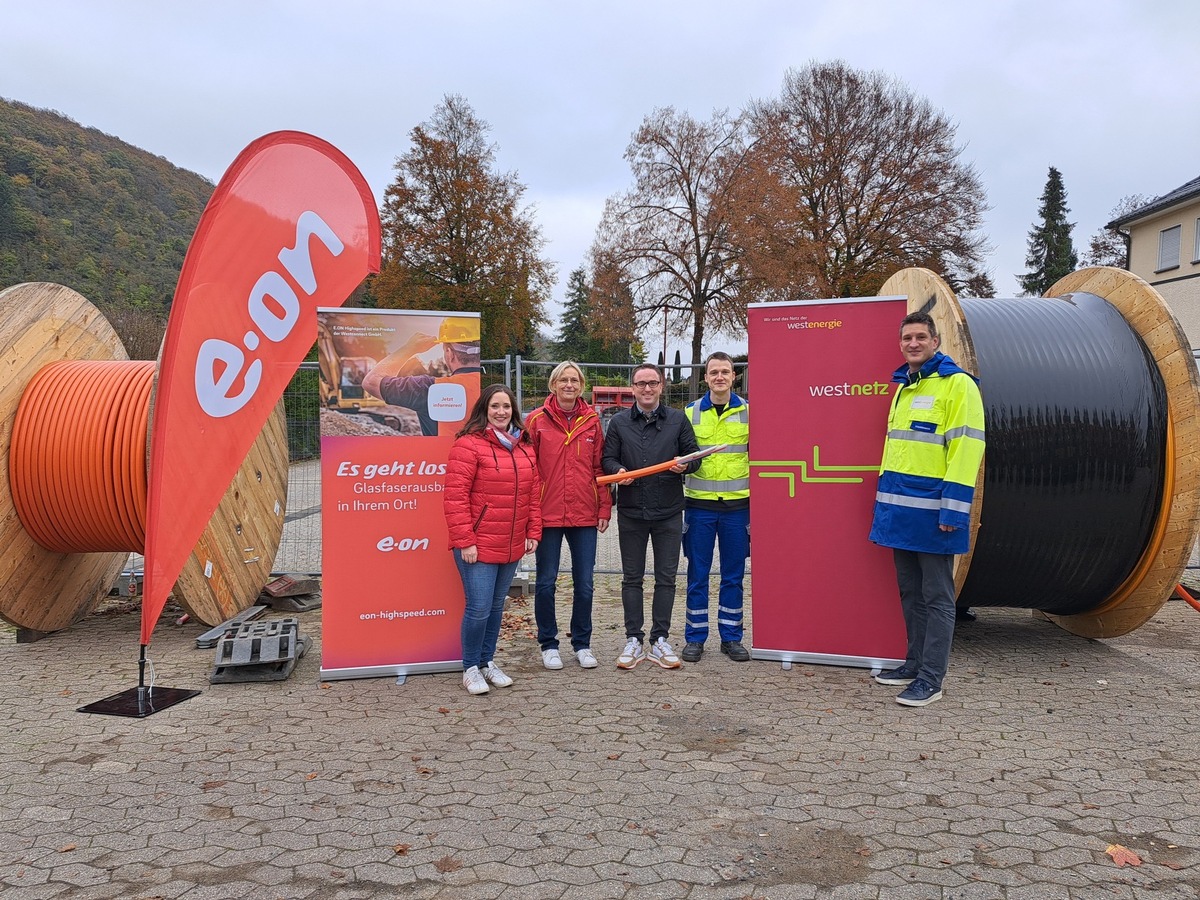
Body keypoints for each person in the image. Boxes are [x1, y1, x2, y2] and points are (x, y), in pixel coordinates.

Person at [868, 312, 985, 708]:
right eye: (907, 338)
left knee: (937, 597)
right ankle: (912, 663)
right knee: (909, 591)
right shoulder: (904, 385)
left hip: (936, 514)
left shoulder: (958, 386)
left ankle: (932, 679)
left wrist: (954, 512)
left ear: (935, 341)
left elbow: (967, 451)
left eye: (920, 337)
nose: (913, 343)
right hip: (901, 512)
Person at [443, 384, 542, 695]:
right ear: (484, 410)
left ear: (514, 410)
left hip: (512, 543)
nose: (501, 412)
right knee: (479, 608)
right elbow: (455, 497)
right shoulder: (468, 445)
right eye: (495, 406)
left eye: (506, 406)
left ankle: (487, 662)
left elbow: (533, 495)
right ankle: (470, 667)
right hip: (478, 544)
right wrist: (465, 540)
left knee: (497, 607)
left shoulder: (524, 446)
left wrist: (533, 532)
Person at [601, 363, 701, 670]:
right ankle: (634, 639)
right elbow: (608, 457)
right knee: (632, 578)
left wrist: (685, 466)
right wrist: (617, 472)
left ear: (661, 386)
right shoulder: (618, 422)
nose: (647, 388)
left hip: (669, 510)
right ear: (632, 388)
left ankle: (660, 640)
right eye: (641, 383)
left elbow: (693, 455)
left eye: (653, 383)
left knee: (666, 579)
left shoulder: (677, 419)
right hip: (632, 510)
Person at [526, 362, 612, 670]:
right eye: (563, 379)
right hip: (546, 513)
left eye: (574, 380)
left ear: (582, 385)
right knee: (546, 581)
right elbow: (528, 470)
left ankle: (582, 643)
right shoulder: (535, 420)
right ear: (553, 384)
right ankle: (548, 644)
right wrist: (529, 512)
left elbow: (599, 468)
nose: (569, 384)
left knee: (585, 583)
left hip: (584, 513)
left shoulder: (592, 421)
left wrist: (604, 507)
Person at [681, 352, 751, 663]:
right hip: (699, 508)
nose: (719, 377)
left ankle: (731, 637)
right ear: (705, 377)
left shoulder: (751, 413)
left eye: (725, 371)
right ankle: (695, 638)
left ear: (734, 376)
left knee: (733, 575)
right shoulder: (689, 413)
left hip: (738, 509)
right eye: (714, 372)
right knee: (697, 574)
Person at [362, 317, 482, 436]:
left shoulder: (430, 389)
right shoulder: (497, 385)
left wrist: (409, 349)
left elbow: (371, 382)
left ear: (449, 354)